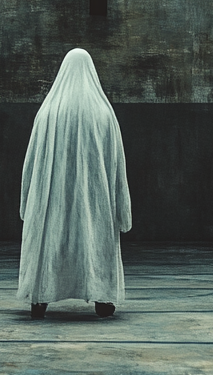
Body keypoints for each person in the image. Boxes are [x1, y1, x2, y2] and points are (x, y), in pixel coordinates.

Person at [17, 48, 132, 319]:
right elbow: (117, 167)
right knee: (95, 240)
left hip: (51, 202)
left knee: (50, 239)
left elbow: (31, 164)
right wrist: (122, 210)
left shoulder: (47, 115)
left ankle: (40, 298)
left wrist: (26, 205)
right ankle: (102, 299)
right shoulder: (104, 115)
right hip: (95, 202)